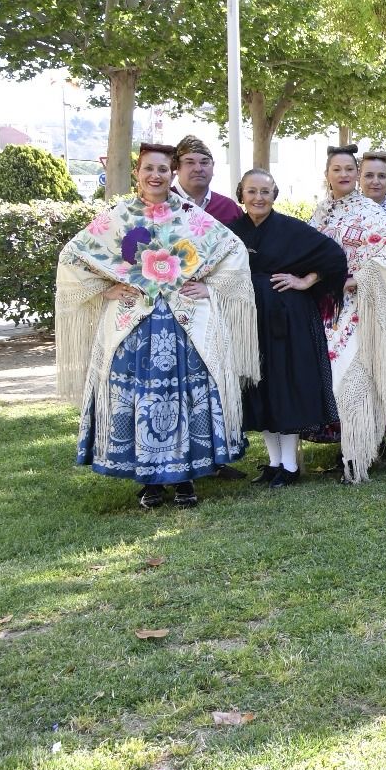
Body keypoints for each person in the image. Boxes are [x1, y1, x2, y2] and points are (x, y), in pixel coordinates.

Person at [57, 143, 258, 508]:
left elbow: (233, 250)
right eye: (149, 168)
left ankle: (186, 480)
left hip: (185, 324)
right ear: (137, 172)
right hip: (134, 325)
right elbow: (73, 255)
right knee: (138, 397)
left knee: (188, 395)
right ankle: (150, 482)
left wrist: (208, 285)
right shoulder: (118, 217)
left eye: (163, 169)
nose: (156, 175)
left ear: (172, 173)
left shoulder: (189, 215)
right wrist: (106, 289)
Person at [229, 169, 347, 488]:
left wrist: (305, 280)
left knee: (286, 385)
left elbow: (334, 257)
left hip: (288, 316)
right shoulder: (231, 231)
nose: (258, 197)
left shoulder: (291, 229)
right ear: (242, 194)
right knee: (260, 387)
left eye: (265, 192)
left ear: (274, 195)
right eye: (252, 191)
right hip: (249, 318)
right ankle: (273, 463)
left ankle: (291, 466)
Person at [308, 146, 386, 482]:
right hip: (327, 309)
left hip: (361, 305)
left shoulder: (371, 212)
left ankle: (359, 455)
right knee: (333, 379)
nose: (344, 174)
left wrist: (356, 278)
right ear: (327, 175)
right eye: (337, 169)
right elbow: (306, 253)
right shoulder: (321, 213)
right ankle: (347, 450)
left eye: (349, 168)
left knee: (355, 379)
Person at [173, 136, 243, 225]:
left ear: (213, 166)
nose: (198, 169)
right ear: (177, 167)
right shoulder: (162, 202)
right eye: (190, 163)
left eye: (204, 163)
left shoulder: (228, 208)